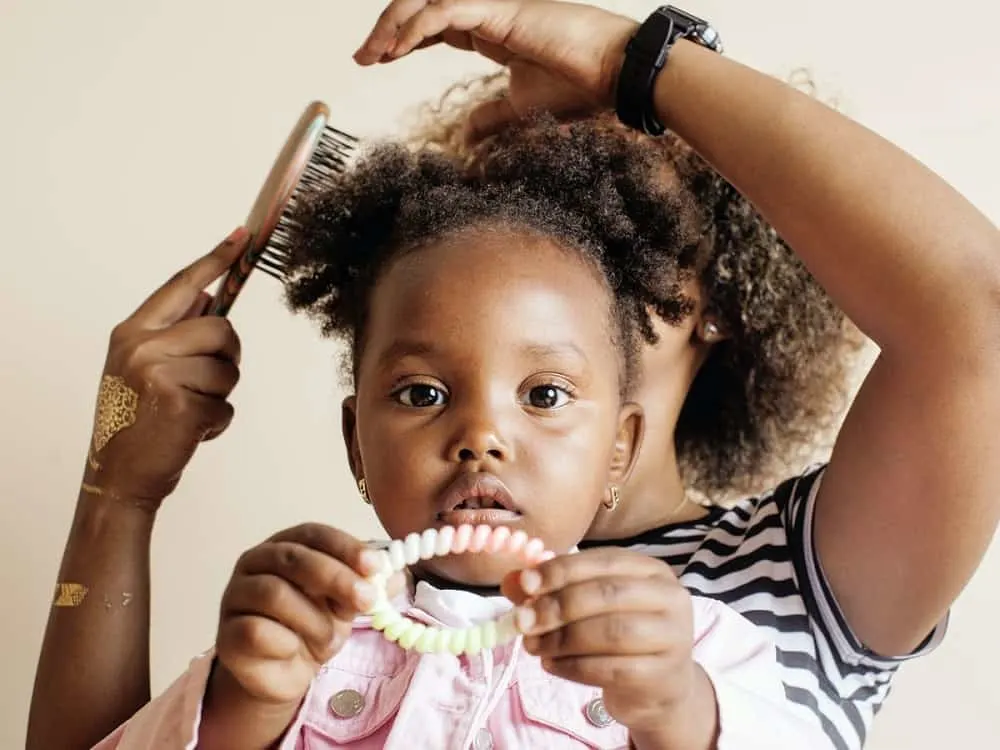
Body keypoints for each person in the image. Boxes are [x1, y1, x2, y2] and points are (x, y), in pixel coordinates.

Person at [27, 2, 1000, 749]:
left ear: (720, 283)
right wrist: (119, 496)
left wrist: (642, 67)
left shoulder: (795, 583)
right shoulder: (348, 621)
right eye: (516, 204)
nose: (553, 244)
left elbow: (977, 317)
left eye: (616, 219)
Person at [91, 140, 819, 749]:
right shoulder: (304, 636)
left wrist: (681, 708)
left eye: (545, 395)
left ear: (619, 451)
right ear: (357, 447)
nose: (480, 439)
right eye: (422, 395)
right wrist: (239, 708)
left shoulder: (694, 646)